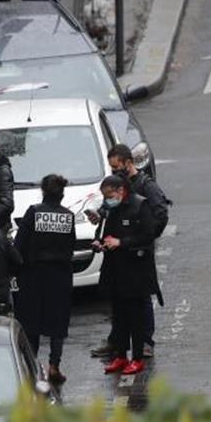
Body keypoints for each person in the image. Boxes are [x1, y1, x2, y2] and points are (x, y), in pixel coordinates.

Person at [90, 144, 170, 359]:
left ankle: (145, 341)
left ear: (128, 163)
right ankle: (117, 340)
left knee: (141, 298)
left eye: (117, 167)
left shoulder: (145, 186)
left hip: (137, 252)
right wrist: (100, 217)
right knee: (119, 301)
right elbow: (111, 209)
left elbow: (160, 214)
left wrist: (146, 237)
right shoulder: (118, 187)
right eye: (112, 168)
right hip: (118, 255)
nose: (115, 171)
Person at [95, 175, 160, 376]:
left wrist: (122, 243)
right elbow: (106, 232)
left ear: (121, 190)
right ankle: (121, 355)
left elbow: (148, 236)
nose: (107, 200)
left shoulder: (140, 206)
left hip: (135, 272)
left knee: (135, 318)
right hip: (115, 270)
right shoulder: (112, 209)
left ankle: (137, 357)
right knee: (119, 317)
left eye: (110, 195)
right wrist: (101, 243)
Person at [15, 175, 76, 384]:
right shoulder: (68, 216)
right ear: (62, 194)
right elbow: (70, 248)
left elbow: (19, 244)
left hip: (32, 276)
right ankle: (54, 366)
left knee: (32, 323)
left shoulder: (33, 212)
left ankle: (32, 368)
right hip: (59, 277)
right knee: (57, 324)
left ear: (43, 191)